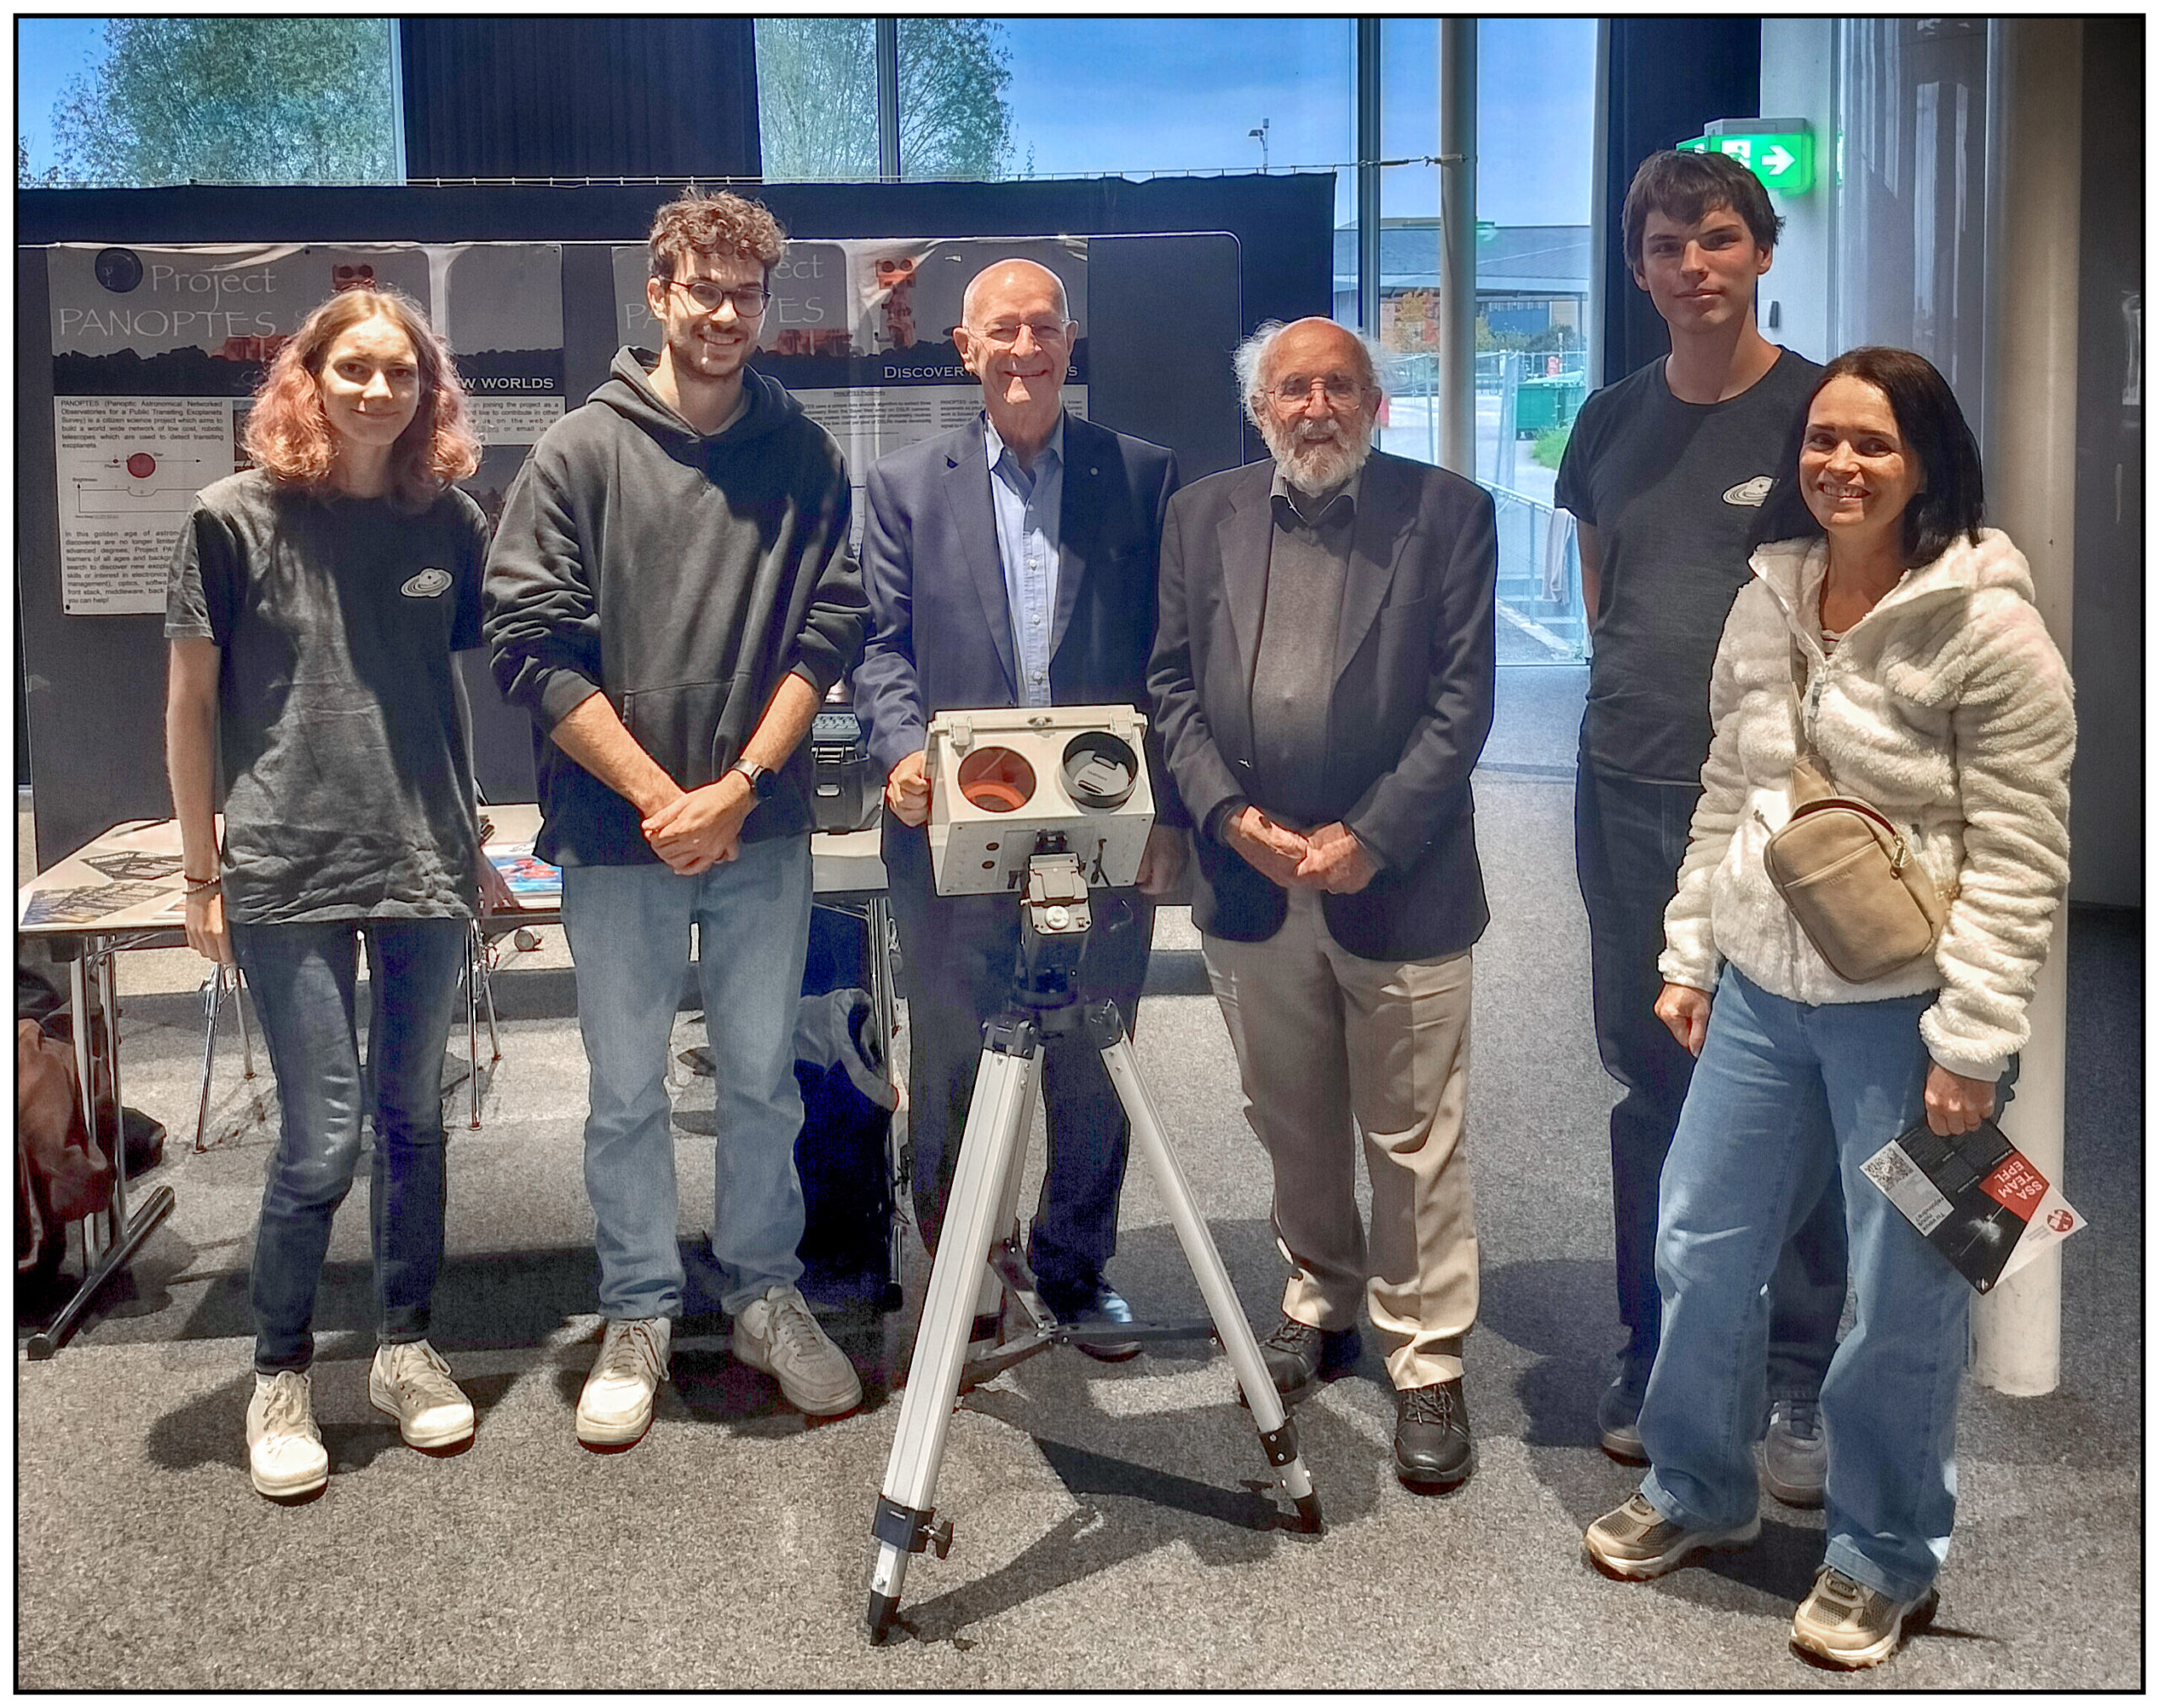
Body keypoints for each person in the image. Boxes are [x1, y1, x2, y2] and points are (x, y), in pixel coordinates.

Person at [1581, 348, 2076, 1670]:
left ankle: (1884, 1552)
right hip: (1757, 983)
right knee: (1699, 1236)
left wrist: (1972, 1043)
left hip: (1909, 1013)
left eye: (1874, 444)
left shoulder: (1988, 621)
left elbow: (2023, 854)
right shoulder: (1771, 591)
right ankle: (1698, 1485)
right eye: (1823, 440)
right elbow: (1728, 791)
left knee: (1901, 1289)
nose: (1841, 464)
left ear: (1926, 463)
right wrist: (1691, 951)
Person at [484, 188, 869, 1447]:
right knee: (625, 1089)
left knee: (764, 1080)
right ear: (658, 294)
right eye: (701, 289)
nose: (723, 313)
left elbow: (833, 627)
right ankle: (639, 1306)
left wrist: (741, 785)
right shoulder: (575, 455)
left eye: (745, 295)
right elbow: (527, 644)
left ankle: (764, 1292)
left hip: (759, 829)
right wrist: (660, 797)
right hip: (616, 838)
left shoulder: (803, 454)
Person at [165, 287, 508, 1501]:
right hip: (285, 869)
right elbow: (192, 706)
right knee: (322, 1134)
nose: (378, 389)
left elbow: (441, 692)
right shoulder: (229, 520)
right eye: (353, 368)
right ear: (306, 377)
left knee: (413, 1121)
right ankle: (280, 1371)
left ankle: (405, 1348)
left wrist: (471, 840)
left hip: (417, 858)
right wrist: (202, 871)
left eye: (401, 372)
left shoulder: (450, 523)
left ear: (429, 391)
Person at [1149, 316, 1496, 1490]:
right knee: (1289, 1115)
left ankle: (1426, 1352)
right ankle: (1321, 1294)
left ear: (1376, 404)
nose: (1316, 407)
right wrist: (1229, 817)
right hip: (1251, 877)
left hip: (1399, 875)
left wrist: (1373, 836)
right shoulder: (1203, 516)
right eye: (1293, 389)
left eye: (1340, 387)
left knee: (1410, 1132)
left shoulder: (1447, 514)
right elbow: (1170, 689)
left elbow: (1462, 705)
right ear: (1261, 411)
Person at [1555, 148, 1845, 1493]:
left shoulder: (1820, 418)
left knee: (1790, 1074)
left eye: (1718, 239)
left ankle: (1796, 1373)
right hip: (1626, 784)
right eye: (1668, 247)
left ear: (1762, 253)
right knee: (1651, 1078)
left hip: (1784, 811)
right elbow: (1604, 597)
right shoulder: (1609, 420)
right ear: (1639, 270)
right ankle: (1656, 1337)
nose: (1693, 267)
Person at [853, 259, 1184, 1356]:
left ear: (1071, 339)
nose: (1025, 349)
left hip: (1102, 825)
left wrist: (1167, 813)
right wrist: (902, 752)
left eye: (1043, 327)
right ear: (965, 347)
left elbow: (1168, 659)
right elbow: (882, 648)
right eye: (1004, 330)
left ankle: (1077, 1265)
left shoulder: (1139, 475)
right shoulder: (903, 486)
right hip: (957, 829)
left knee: (1095, 1060)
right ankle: (961, 1268)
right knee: (949, 1055)